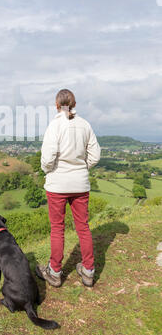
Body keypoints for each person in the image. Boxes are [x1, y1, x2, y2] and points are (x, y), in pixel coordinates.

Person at [36, 89, 101, 287]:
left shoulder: (54, 125)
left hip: (57, 184)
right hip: (80, 183)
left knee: (58, 228)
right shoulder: (85, 125)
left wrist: (49, 171)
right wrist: (82, 168)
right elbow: (95, 155)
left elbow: (47, 159)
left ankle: (55, 272)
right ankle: (88, 271)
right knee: (83, 226)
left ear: (57, 105)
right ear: (74, 104)